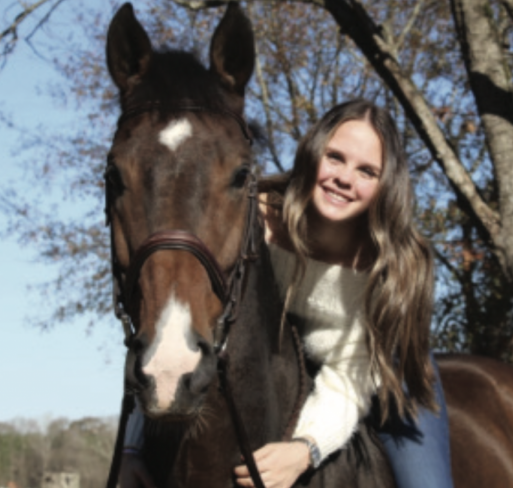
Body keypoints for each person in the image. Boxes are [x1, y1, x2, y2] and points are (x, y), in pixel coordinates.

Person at [120, 99, 454, 488]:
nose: (345, 177)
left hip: (381, 368)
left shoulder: (390, 266)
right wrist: (131, 448)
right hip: (276, 354)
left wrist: (305, 448)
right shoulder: (253, 219)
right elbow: (177, 318)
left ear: (385, 184)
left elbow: (348, 375)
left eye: (367, 171)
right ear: (313, 153)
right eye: (336, 157)